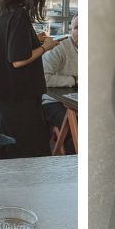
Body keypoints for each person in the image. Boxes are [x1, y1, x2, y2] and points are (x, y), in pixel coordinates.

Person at [0, 0, 59, 158]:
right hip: (18, 94)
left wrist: (34, 40)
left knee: (9, 148)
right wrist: (45, 47)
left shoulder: (0, 8)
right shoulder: (19, 15)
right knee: (32, 149)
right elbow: (18, 60)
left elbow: (6, 45)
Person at [41, 15, 79, 154]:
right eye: (77, 28)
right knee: (80, 127)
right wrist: (74, 80)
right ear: (70, 30)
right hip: (53, 102)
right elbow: (43, 79)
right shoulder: (59, 48)